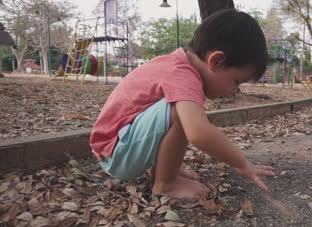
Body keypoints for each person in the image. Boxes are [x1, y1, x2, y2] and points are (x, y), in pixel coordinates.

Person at [90, 9, 275, 200]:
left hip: (121, 147)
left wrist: (206, 129)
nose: (235, 90)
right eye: (236, 81)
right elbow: (198, 133)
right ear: (217, 61)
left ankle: (164, 171)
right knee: (181, 114)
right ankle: (166, 184)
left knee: (185, 115)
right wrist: (242, 163)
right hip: (118, 155)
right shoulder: (182, 74)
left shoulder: (178, 65)